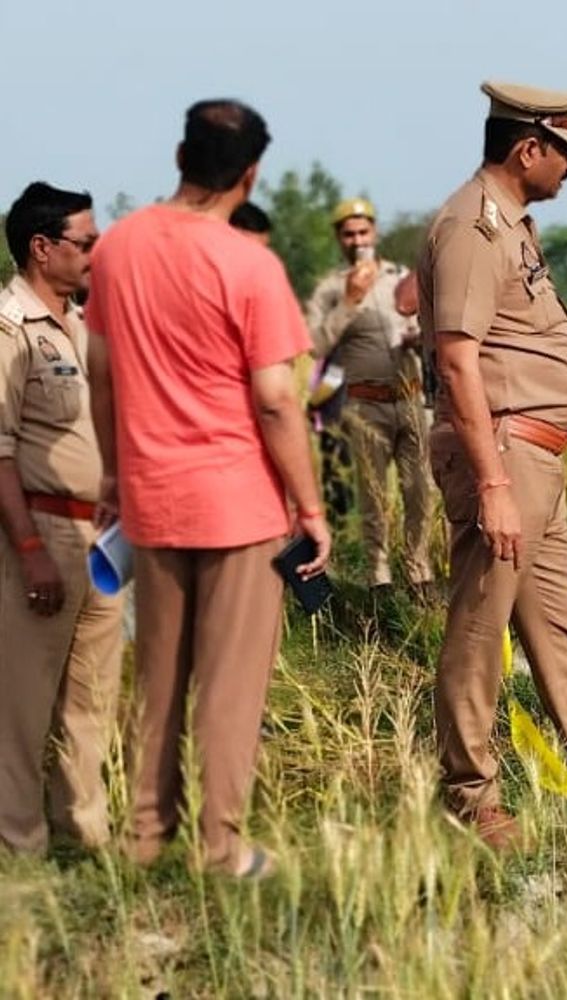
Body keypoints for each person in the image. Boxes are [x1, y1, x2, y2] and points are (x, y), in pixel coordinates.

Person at [85, 99, 331, 876]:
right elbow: (276, 399)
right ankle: (219, 848)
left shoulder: (117, 248)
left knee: (158, 678)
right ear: (250, 175)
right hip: (239, 504)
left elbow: (100, 373)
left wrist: (114, 471)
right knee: (229, 686)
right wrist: (311, 508)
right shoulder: (251, 266)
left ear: (179, 156)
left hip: (150, 497)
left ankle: (144, 836)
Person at [417, 81, 567, 849]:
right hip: (503, 456)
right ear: (528, 148)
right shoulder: (473, 227)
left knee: (558, 623)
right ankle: (470, 796)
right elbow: (457, 358)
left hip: (534, 454)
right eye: (565, 150)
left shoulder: (511, 225)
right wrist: (495, 484)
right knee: (480, 626)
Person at [0, 182, 123, 854]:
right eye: (86, 242)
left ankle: (84, 836)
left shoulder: (84, 325)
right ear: (41, 248)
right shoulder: (10, 329)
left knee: (91, 700)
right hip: (41, 532)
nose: (95, 252)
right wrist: (28, 549)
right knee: (22, 704)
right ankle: (17, 846)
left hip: (101, 539)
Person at [307, 198, 433, 591]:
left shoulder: (400, 278)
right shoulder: (331, 289)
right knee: (374, 499)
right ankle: (379, 579)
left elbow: (428, 323)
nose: (357, 240)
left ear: (374, 232)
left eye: (363, 232)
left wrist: (419, 339)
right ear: (338, 238)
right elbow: (316, 345)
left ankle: (419, 573)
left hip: (411, 399)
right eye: (349, 234)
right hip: (365, 405)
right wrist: (349, 301)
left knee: (420, 492)